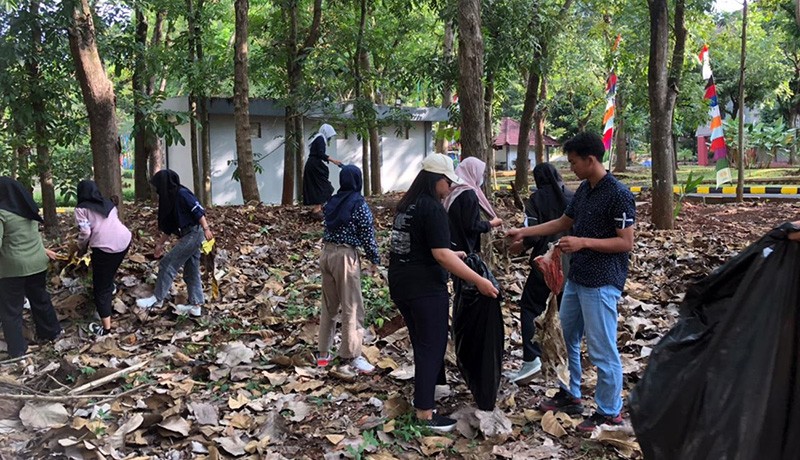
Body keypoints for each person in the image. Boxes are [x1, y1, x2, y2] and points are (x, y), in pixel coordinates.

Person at [506, 132, 635, 432]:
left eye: (574, 162)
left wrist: (583, 243)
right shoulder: (584, 190)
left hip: (602, 281)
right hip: (576, 278)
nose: (571, 168)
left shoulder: (619, 194)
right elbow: (564, 223)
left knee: (602, 348)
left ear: (591, 160)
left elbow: (625, 243)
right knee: (565, 339)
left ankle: (608, 410)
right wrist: (524, 233)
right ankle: (570, 393)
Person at [388, 153, 499, 433]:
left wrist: (455, 253)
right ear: (437, 180)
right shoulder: (433, 208)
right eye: (448, 182)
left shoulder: (407, 205)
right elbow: (440, 255)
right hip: (424, 287)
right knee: (432, 345)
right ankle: (425, 412)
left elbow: (425, 246)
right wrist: (478, 281)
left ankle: (426, 396)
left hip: (401, 283)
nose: (450, 187)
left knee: (421, 342)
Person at [507, 163, 574, 383]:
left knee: (530, 306)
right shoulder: (572, 197)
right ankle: (564, 361)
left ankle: (532, 359)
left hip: (544, 262)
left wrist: (520, 246)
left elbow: (533, 235)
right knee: (564, 312)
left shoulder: (536, 200)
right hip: (570, 262)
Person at [316, 165, 379, 376]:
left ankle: (323, 355)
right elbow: (367, 233)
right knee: (352, 307)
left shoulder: (332, 201)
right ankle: (351, 357)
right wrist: (374, 259)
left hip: (326, 254)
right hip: (345, 257)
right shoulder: (358, 203)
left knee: (329, 306)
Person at [136, 170, 214, 317]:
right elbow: (169, 227)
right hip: (187, 234)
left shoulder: (182, 194)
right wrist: (159, 245)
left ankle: (157, 299)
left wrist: (206, 228)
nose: (157, 190)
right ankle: (196, 305)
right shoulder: (170, 199)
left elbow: (198, 210)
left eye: (158, 186)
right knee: (191, 270)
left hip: (195, 233)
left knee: (167, 263)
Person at [0, 177, 62, 357]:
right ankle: (52, 333)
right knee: (40, 298)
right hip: (37, 263)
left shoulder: (2, 214)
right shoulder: (28, 209)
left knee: (11, 309)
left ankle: (18, 350)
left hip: (13, 269)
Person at [74, 180, 132, 336]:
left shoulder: (81, 209)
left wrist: (80, 247)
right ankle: (111, 286)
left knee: (100, 288)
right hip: (125, 240)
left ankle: (106, 329)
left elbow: (85, 232)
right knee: (109, 269)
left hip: (105, 247)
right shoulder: (107, 203)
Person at [443, 156, 502, 254]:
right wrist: (490, 224)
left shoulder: (453, 190)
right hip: (462, 247)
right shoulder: (468, 194)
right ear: (473, 172)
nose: (481, 177)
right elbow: (471, 225)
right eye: (480, 173)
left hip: (450, 243)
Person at [303, 124, 342, 219]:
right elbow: (320, 153)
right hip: (314, 166)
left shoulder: (319, 138)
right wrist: (333, 160)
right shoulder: (320, 138)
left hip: (314, 165)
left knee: (319, 186)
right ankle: (317, 210)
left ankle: (318, 208)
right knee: (322, 186)